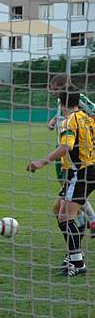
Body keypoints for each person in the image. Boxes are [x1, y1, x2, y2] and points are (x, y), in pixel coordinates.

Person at [27, 90, 95, 277]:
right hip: (86, 169)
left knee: (65, 216)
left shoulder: (69, 121)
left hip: (80, 172)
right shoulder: (87, 117)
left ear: (61, 103)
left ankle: (77, 262)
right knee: (58, 210)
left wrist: (41, 162)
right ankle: (72, 255)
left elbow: (66, 147)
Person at [48, 73, 95, 238]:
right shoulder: (61, 101)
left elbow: (92, 110)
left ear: (63, 87)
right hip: (64, 149)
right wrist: (55, 120)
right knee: (66, 190)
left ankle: (89, 220)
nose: (53, 93)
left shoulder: (78, 97)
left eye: (55, 89)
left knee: (70, 191)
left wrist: (87, 134)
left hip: (76, 152)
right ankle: (83, 223)